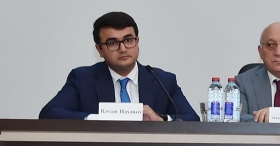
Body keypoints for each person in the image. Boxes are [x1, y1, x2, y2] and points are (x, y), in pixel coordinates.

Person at [40, 11, 198, 121]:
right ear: (99, 50)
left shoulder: (162, 80)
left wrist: (161, 119)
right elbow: (49, 113)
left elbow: (192, 119)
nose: (123, 49)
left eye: (128, 40)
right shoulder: (83, 79)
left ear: (137, 41)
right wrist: (97, 119)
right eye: (112, 43)